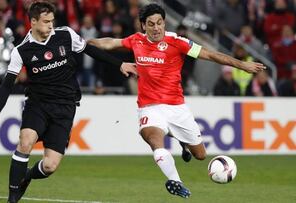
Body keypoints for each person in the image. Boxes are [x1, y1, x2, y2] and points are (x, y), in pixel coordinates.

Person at [88, 3, 266, 198]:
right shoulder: (135, 40)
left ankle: (181, 140)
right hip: (149, 107)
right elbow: (109, 43)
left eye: (160, 23)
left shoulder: (177, 42)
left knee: (200, 155)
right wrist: (84, 41)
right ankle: (176, 181)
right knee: (154, 140)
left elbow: (210, 54)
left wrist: (242, 65)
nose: (156, 28)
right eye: (151, 24)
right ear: (143, 26)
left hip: (176, 108)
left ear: (164, 23)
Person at [0, 2, 136, 203]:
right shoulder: (21, 51)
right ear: (34, 22)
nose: (50, 26)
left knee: (49, 166)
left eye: (52, 21)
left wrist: (120, 64)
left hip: (65, 106)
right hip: (37, 104)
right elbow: (7, 85)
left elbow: (90, 51)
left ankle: (26, 176)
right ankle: (12, 199)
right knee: (25, 140)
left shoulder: (66, 35)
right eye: (46, 22)